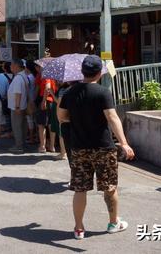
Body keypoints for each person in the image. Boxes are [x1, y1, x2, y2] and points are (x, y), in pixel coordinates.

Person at [57, 55, 135, 240]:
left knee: (80, 189)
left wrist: (77, 120)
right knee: (110, 187)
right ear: (99, 73)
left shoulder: (69, 92)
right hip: (103, 147)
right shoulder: (102, 92)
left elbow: (61, 117)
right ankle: (113, 223)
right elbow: (112, 117)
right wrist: (124, 143)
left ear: (82, 71)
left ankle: (78, 228)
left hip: (78, 148)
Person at [7, 59, 29, 154]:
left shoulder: (18, 78)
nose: (10, 67)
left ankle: (19, 146)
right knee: (22, 126)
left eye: (11, 65)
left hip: (17, 107)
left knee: (17, 127)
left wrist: (16, 107)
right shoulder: (23, 76)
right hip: (22, 106)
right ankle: (22, 144)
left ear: (16, 66)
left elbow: (18, 93)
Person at [35, 64, 57, 154]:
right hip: (52, 102)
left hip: (46, 101)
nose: (38, 69)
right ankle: (52, 146)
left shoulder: (46, 76)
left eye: (40, 67)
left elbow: (47, 88)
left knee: (41, 125)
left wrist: (43, 101)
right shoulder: (53, 76)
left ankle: (42, 146)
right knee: (51, 124)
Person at [25, 61, 38, 144]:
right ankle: (35, 137)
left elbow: (26, 90)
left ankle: (31, 138)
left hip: (30, 100)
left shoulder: (28, 77)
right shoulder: (34, 76)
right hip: (34, 99)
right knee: (35, 120)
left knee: (30, 119)